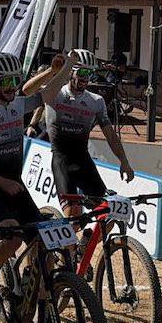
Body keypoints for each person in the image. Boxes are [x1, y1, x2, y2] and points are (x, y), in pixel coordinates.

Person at [0, 51, 75, 317]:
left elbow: (48, 93)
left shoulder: (18, 106)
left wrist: (66, 67)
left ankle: (28, 291)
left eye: (15, 81)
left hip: (17, 189)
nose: (11, 88)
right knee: (12, 239)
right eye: (5, 82)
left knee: (44, 244)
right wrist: (2, 182)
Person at [24, 49, 134, 221]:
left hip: (83, 161)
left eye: (90, 73)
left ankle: (84, 246)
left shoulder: (96, 101)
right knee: (72, 216)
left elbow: (111, 135)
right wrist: (53, 71)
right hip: (61, 160)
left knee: (109, 215)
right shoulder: (56, 93)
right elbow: (27, 91)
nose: (86, 77)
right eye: (82, 71)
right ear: (71, 72)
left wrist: (124, 160)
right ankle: (67, 246)